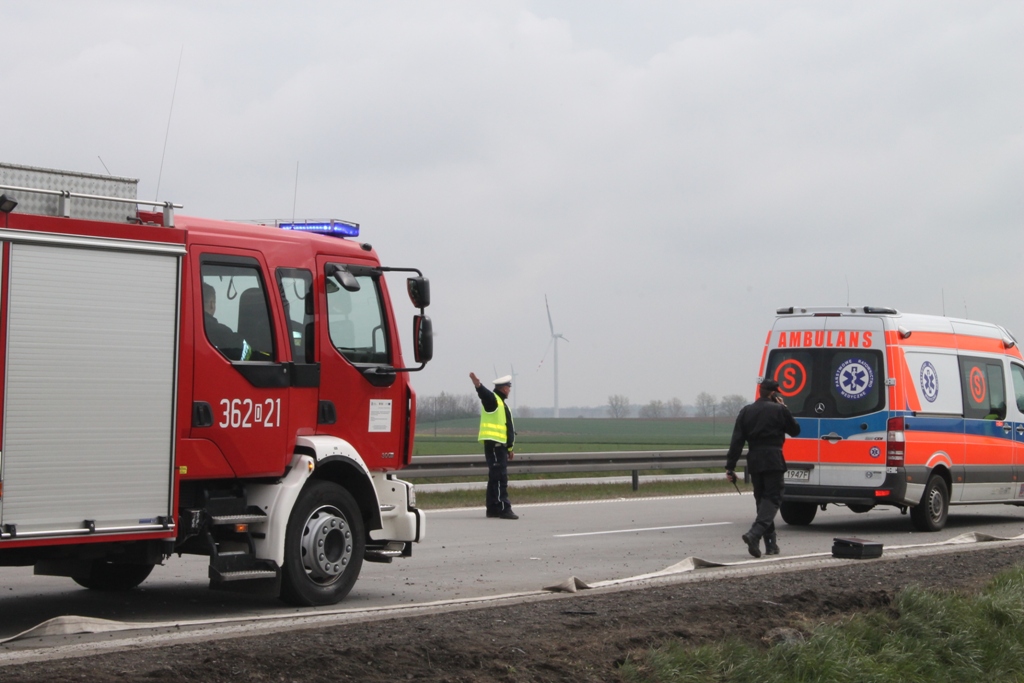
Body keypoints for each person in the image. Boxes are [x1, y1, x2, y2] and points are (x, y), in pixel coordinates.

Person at [725, 379, 800, 558]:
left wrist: (730, 467)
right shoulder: (779, 410)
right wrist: (786, 409)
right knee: (773, 498)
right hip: (773, 458)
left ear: (760, 391)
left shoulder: (746, 411)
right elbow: (795, 430)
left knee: (761, 500)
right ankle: (754, 534)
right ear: (774, 393)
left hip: (755, 460)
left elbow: (736, 441)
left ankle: (770, 544)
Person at [470, 372, 518, 519]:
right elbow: (485, 395)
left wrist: (509, 448)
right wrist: (478, 386)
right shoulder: (494, 400)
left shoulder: (502, 404)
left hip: (501, 446)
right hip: (495, 445)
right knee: (500, 477)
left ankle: (492, 508)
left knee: (494, 477)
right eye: (509, 387)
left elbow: (507, 427)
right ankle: (504, 508)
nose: (510, 390)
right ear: (503, 388)